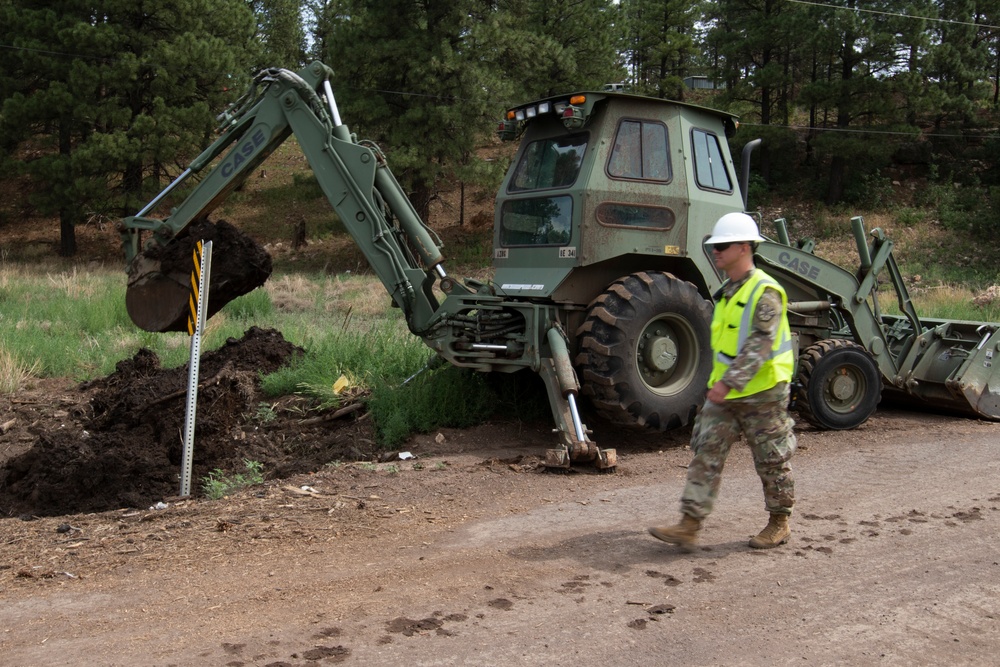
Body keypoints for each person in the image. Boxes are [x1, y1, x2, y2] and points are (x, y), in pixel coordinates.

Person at [648, 212, 796, 550]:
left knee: (772, 458)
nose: (716, 252)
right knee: (705, 451)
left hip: (764, 391)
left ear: (744, 247)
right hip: (725, 393)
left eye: (723, 246)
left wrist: (727, 384)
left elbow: (760, 344)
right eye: (715, 246)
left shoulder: (766, 291)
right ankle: (689, 524)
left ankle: (779, 521)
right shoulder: (727, 292)